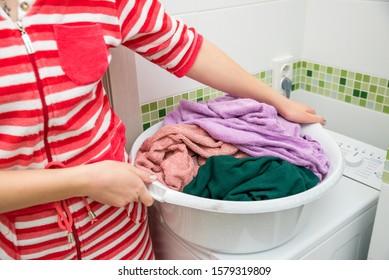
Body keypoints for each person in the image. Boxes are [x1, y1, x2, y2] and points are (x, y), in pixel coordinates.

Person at [0, 0, 324, 260]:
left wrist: (275, 101)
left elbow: (185, 47)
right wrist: (84, 180)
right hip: (33, 243)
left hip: (121, 223)